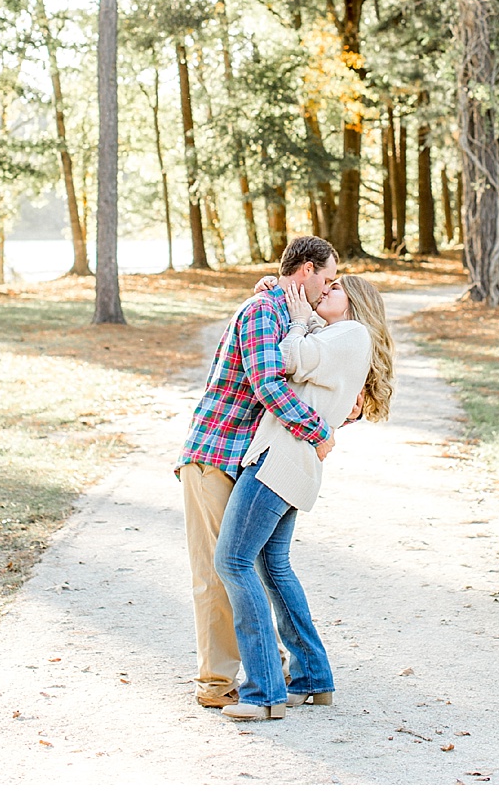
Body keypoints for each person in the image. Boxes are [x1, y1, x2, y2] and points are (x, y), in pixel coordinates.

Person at [212, 272, 395, 721]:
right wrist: (279, 299)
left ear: (352, 303)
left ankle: (263, 693)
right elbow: (311, 354)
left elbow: (288, 357)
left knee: (232, 561)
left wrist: (293, 319)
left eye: (335, 289)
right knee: (273, 565)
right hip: (292, 461)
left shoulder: (352, 333)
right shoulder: (340, 337)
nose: (324, 292)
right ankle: (311, 676)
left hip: (280, 459)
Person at [174, 234, 339, 710]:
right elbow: (267, 383)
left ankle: (273, 673)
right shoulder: (262, 311)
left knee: (245, 566)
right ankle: (216, 684)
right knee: (216, 573)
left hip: (246, 459)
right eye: (325, 278)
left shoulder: (284, 313)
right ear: (304, 270)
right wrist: (316, 431)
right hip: (213, 455)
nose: (329, 287)